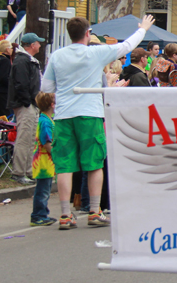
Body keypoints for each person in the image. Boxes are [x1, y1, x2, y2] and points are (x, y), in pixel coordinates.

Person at [41, 15, 154, 230]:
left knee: (64, 165)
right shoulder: (96, 53)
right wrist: (143, 29)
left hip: (64, 115)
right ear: (87, 34)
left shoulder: (57, 56)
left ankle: (65, 214)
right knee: (94, 163)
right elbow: (127, 46)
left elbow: (46, 87)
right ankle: (94, 211)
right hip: (89, 113)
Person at [8, 33, 44, 185]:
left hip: (30, 104)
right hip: (25, 105)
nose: (40, 45)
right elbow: (21, 84)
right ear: (32, 45)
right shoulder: (23, 60)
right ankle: (19, 172)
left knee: (30, 138)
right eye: (38, 43)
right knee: (24, 138)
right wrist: (28, 102)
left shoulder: (28, 60)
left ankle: (28, 170)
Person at [30, 92, 57, 226]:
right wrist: (56, 155)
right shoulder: (45, 122)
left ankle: (43, 212)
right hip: (43, 161)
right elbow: (47, 142)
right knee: (43, 190)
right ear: (52, 105)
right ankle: (38, 215)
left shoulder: (46, 119)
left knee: (44, 188)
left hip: (45, 162)